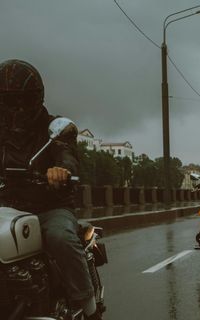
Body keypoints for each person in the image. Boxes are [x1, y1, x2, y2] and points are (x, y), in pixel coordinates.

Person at [0, 60, 101, 319]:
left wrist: (61, 171)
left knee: (60, 238)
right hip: (7, 207)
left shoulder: (52, 128)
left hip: (49, 206)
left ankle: (89, 308)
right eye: (10, 101)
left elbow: (66, 153)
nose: (17, 108)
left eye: (22, 101)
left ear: (36, 98)